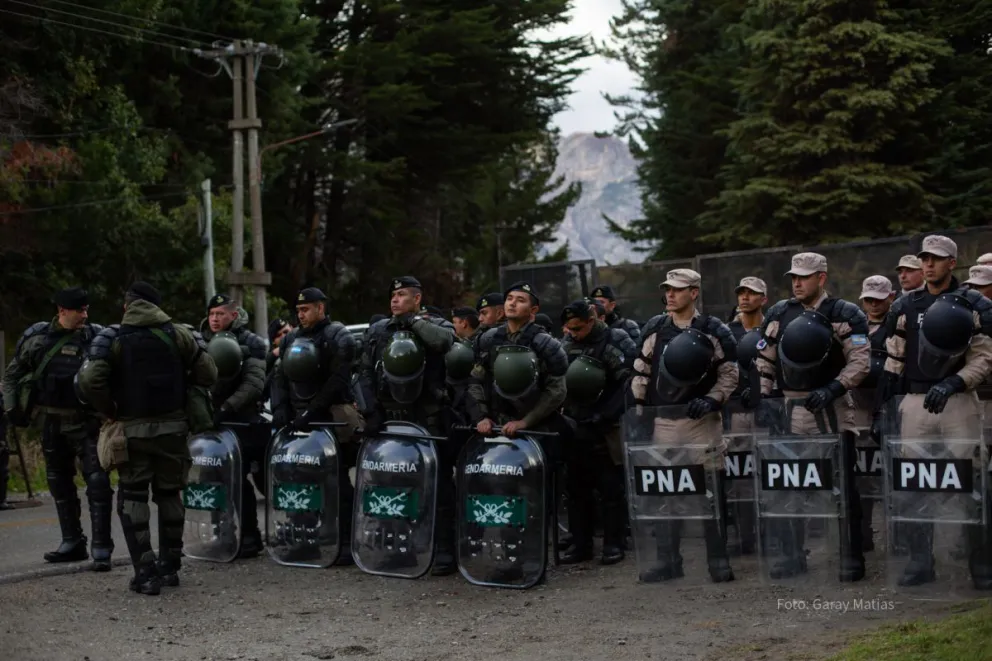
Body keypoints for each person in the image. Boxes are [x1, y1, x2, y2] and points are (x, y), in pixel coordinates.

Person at [78, 281, 218, 595]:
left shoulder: (112, 337)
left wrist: (109, 409)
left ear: (128, 305)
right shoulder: (179, 334)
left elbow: (89, 380)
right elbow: (209, 374)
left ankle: (145, 573)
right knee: (170, 495)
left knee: (133, 495)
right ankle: (170, 568)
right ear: (156, 305)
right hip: (173, 429)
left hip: (131, 431)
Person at [875, 235, 992, 588]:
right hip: (914, 400)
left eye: (937, 259)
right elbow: (894, 355)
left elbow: (985, 358)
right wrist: (888, 405)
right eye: (925, 258)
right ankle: (919, 561)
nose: (928, 265)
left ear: (951, 263)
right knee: (913, 483)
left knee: (972, 479)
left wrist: (954, 383)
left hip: (958, 401)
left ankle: (980, 563)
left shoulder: (973, 303)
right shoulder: (906, 305)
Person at [755, 253, 870, 581]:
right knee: (788, 486)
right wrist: (765, 397)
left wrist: (835, 387)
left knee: (843, 483)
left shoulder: (844, 313)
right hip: (790, 409)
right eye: (794, 276)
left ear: (821, 277)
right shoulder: (779, 313)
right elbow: (764, 359)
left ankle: (850, 555)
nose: (796, 282)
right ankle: (792, 555)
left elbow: (860, 361)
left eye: (804, 277)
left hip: (832, 408)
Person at [631, 269, 738, 583]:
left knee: (711, 491)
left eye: (677, 290)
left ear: (694, 292)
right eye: (667, 289)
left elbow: (730, 374)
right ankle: (668, 561)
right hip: (663, 421)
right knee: (666, 493)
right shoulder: (655, 328)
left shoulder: (714, 329)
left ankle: (718, 560)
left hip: (701, 422)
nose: (670, 295)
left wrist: (712, 399)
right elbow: (640, 373)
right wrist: (637, 414)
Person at [1, 287, 113, 570]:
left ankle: (101, 547)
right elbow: (12, 376)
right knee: (59, 483)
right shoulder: (38, 339)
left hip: (86, 422)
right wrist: (13, 411)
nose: (85, 315)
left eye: (87, 309)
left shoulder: (94, 337)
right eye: (80, 310)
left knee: (98, 483)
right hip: (51, 422)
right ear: (62, 310)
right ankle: (72, 541)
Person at [358, 276, 458, 574]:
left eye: (401, 295)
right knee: (391, 487)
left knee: (436, 488)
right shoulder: (378, 331)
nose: (394, 299)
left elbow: (445, 343)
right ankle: (396, 547)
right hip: (390, 420)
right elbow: (362, 373)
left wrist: (413, 322)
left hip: (427, 420)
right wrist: (369, 410)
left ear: (417, 298)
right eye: (392, 294)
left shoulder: (435, 325)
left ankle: (443, 551)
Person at [271, 287, 362, 564]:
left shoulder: (337, 335)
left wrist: (312, 411)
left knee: (337, 482)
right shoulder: (291, 340)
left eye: (306, 309)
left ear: (320, 308)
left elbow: (339, 380)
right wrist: (280, 409)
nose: (301, 315)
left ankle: (345, 542)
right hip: (301, 421)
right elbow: (279, 377)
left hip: (332, 418)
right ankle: (304, 539)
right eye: (298, 310)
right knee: (300, 482)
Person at [560, 300, 636, 565]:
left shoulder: (616, 340)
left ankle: (614, 543)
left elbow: (628, 384)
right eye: (569, 328)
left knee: (610, 488)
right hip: (576, 423)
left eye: (578, 328)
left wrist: (604, 415)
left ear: (591, 321)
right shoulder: (567, 342)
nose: (572, 333)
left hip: (606, 425)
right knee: (576, 489)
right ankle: (581, 543)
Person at [200, 293, 268, 558]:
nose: (215, 319)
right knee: (211, 479)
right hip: (210, 421)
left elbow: (253, 384)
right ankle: (221, 534)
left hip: (241, 421)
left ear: (233, 314)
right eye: (212, 314)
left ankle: (250, 536)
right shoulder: (201, 340)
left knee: (238, 480)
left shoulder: (251, 342)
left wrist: (227, 408)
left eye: (221, 314)